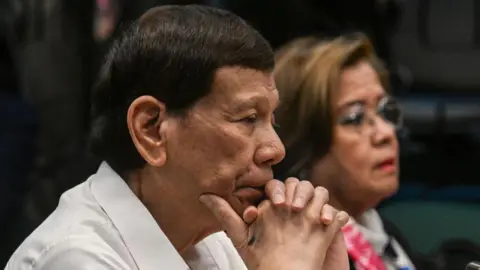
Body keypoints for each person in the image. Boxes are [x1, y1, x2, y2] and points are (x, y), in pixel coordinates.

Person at [6, 5, 349, 270]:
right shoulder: (74, 259)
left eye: (271, 119)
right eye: (248, 118)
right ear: (151, 129)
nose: (275, 149)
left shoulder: (220, 239)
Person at [273, 34, 420, 270]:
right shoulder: (298, 259)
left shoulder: (383, 232)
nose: (385, 133)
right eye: (355, 118)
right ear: (304, 144)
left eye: (384, 111)